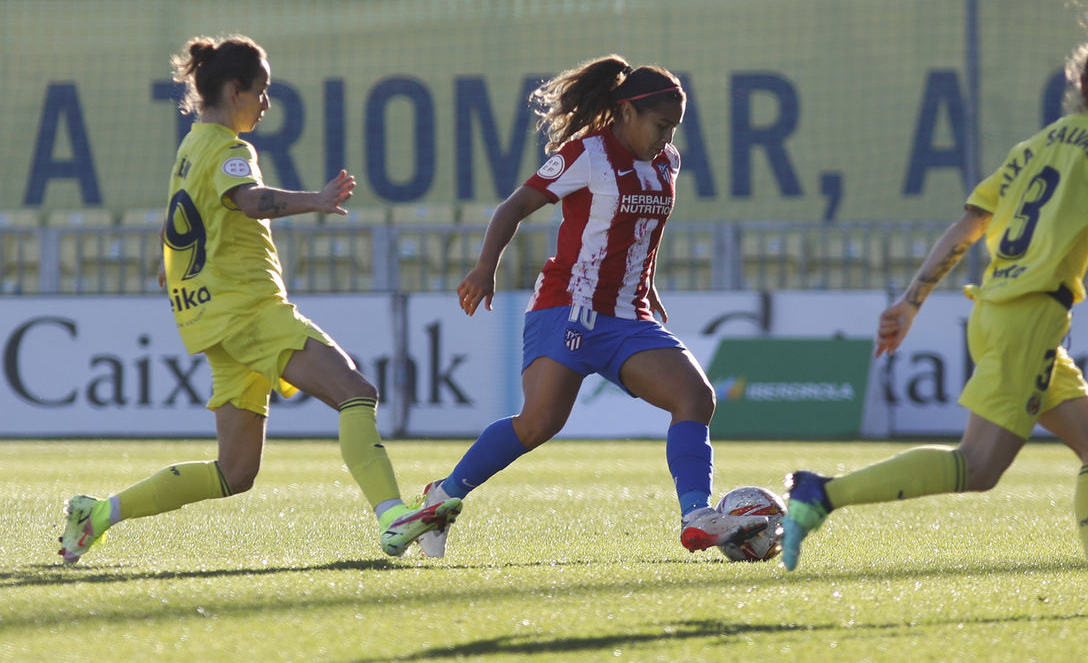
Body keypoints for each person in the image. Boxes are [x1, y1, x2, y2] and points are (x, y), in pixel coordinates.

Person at [781, 2, 1088, 615]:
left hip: (1004, 313)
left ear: (1080, 84)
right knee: (977, 467)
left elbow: (967, 227)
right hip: (1028, 318)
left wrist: (913, 300)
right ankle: (821, 494)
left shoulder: (1036, 146)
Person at [58, 35, 458, 564]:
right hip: (249, 311)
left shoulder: (190, 148)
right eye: (262, 91)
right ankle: (391, 519)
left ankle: (97, 513)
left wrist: (172, 264)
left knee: (235, 472)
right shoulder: (228, 148)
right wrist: (314, 200)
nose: (266, 104)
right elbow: (248, 201)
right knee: (356, 392)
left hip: (214, 320)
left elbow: (181, 219)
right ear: (234, 88)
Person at [411, 54, 768, 558]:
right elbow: (513, 207)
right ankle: (441, 497)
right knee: (538, 424)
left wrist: (646, 280)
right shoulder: (586, 155)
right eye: (660, 126)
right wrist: (484, 268)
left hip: (627, 314)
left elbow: (645, 228)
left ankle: (697, 517)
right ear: (625, 112)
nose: (667, 139)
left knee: (695, 398)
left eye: (674, 129)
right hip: (567, 307)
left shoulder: (668, 162)